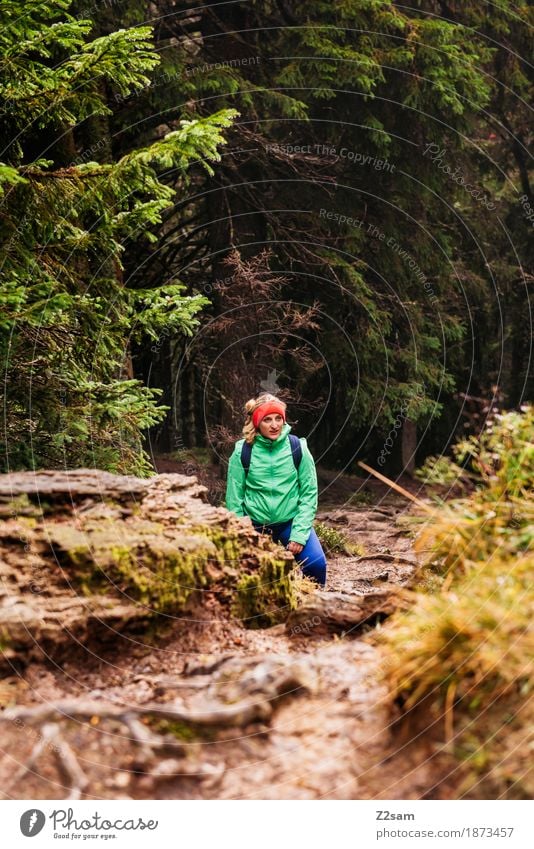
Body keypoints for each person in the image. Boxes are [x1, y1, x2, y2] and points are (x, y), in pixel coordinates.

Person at [225, 393, 327, 586]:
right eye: (267, 420)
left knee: (315, 564)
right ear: (257, 423)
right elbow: (234, 499)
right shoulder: (242, 452)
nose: (274, 425)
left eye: (278, 418)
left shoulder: (298, 447)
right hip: (256, 525)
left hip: (290, 521)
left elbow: (309, 493)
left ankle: (315, 606)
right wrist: (243, 533)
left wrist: (298, 534)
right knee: (255, 575)